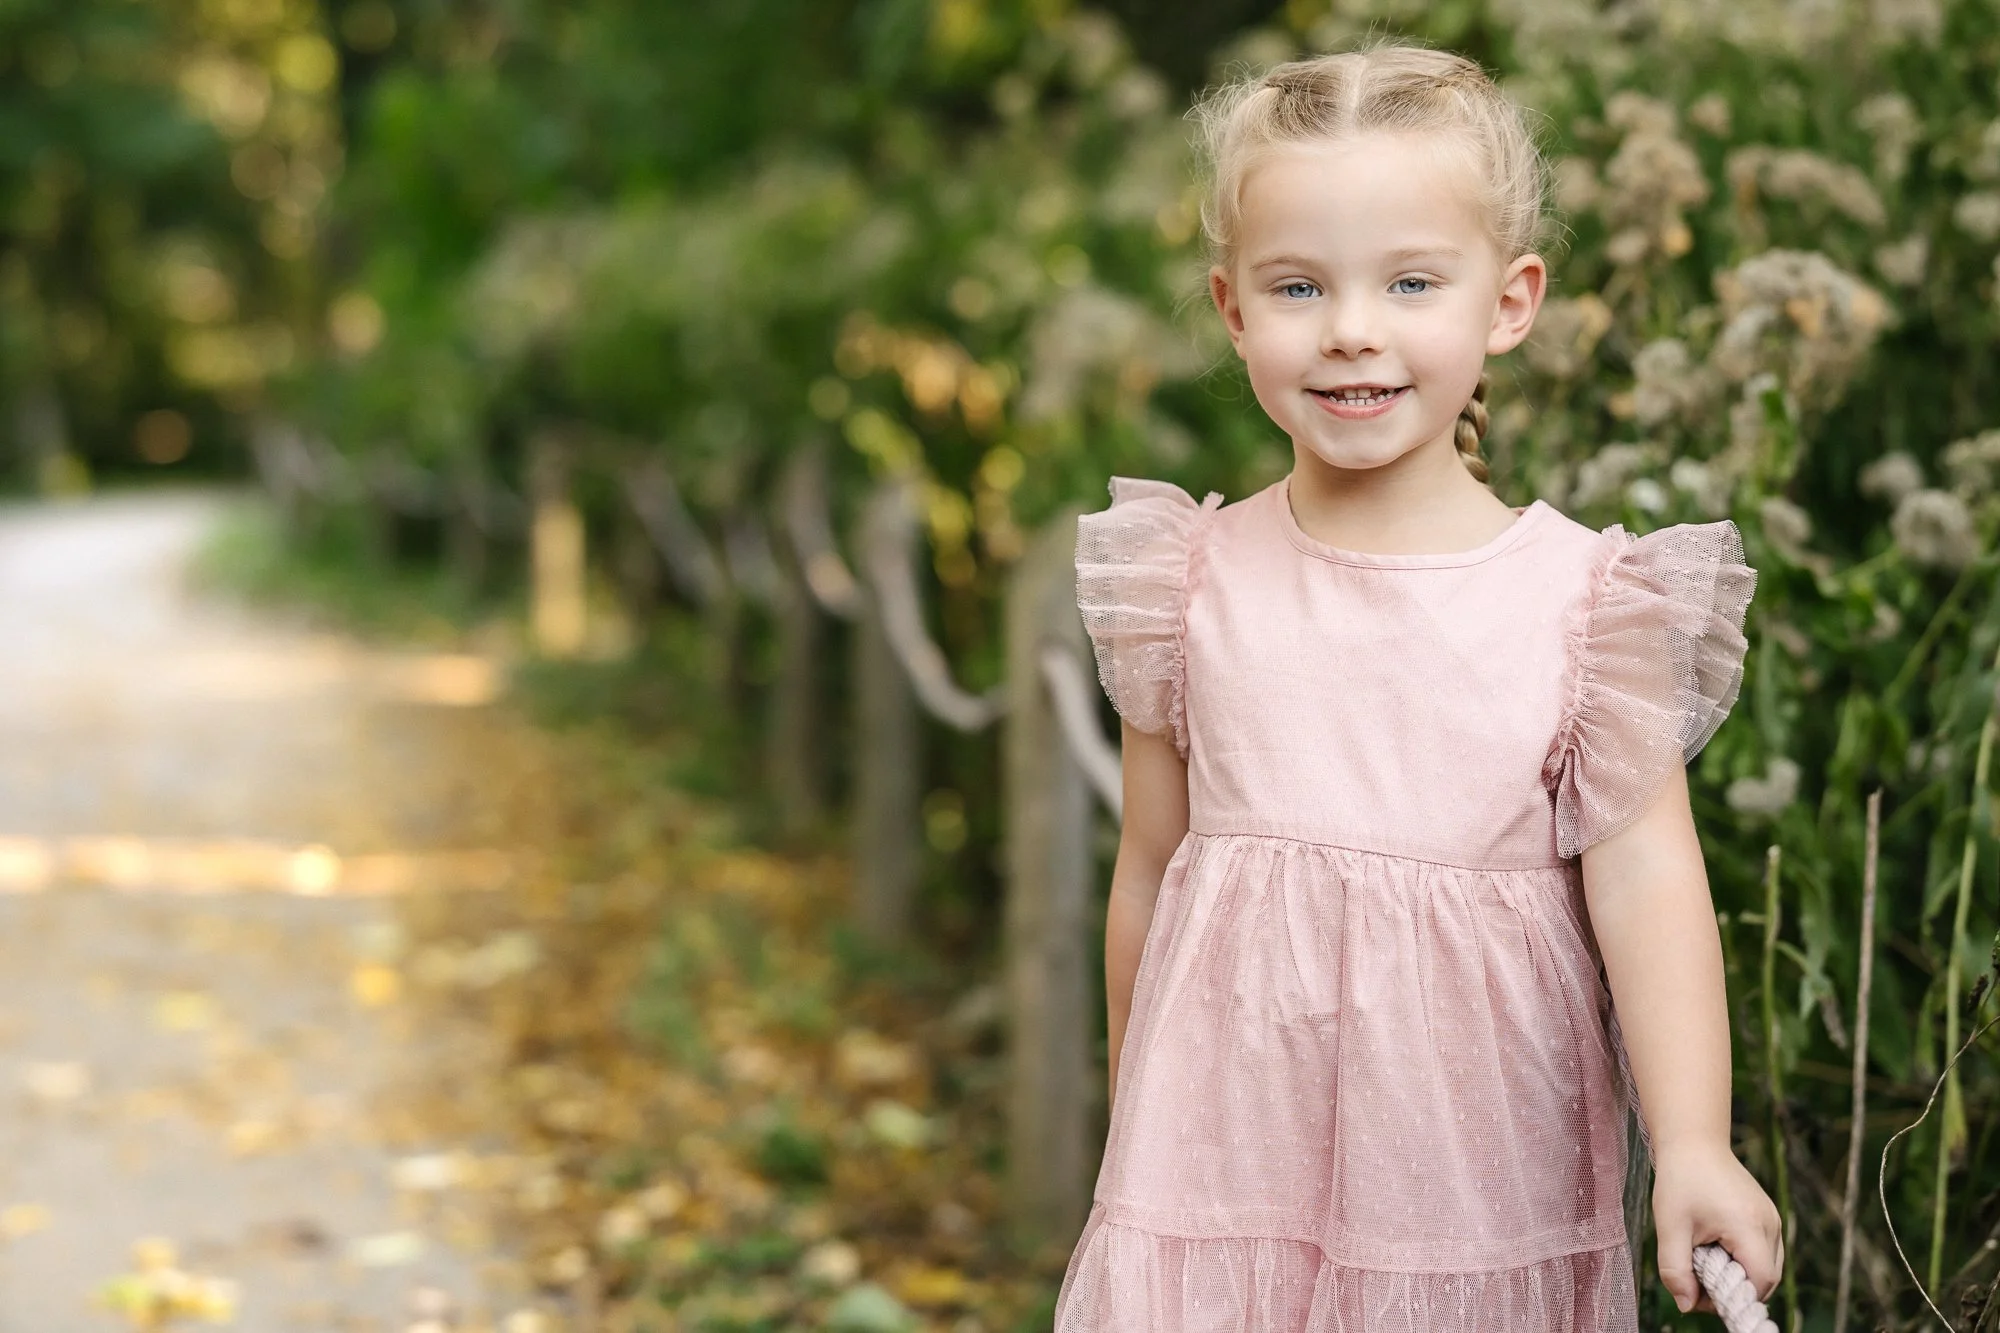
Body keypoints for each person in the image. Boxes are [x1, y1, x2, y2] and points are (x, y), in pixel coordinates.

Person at [1055, 41, 1784, 1332]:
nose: (1350, 329)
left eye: (1408, 280)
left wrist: (1697, 1144)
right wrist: (1138, 1136)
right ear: (1232, 310)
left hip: (1470, 1181)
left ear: (1508, 302)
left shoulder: (1586, 605)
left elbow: (1650, 877)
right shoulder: (1188, 580)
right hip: (1218, 1170)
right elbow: (1150, 870)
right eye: (1298, 286)